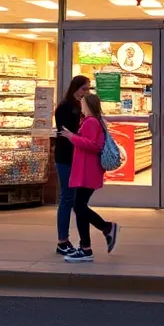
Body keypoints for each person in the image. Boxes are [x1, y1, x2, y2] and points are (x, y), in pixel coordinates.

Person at [59, 92, 119, 263]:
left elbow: (95, 145)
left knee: (79, 207)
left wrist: (72, 137)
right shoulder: (91, 121)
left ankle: (106, 228)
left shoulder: (92, 122)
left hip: (88, 170)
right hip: (85, 170)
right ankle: (86, 247)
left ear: (89, 105)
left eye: (83, 103)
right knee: (79, 207)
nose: (80, 106)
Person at [53, 76, 90, 255]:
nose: (86, 93)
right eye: (84, 89)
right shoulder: (66, 107)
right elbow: (65, 133)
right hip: (66, 157)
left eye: (88, 90)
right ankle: (62, 240)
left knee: (74, 199)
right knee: (67, 198)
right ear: (75, 88)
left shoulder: (80, 107)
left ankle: (69, 240)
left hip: (76, 157)